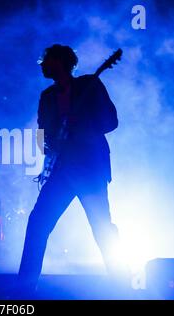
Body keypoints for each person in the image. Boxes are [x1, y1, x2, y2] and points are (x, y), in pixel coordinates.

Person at [17, 44, 127, 294]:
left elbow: (112, 121)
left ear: (61, 62)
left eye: (48, 60)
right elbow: (40, 132)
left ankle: (122, 286)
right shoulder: (47, 97)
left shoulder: (90, 85)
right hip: (61, 172)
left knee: (101, 227)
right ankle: (23, 291)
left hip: (89, 169)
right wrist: (47, 147)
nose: (43, 65)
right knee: (37, 224)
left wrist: (80, 126)